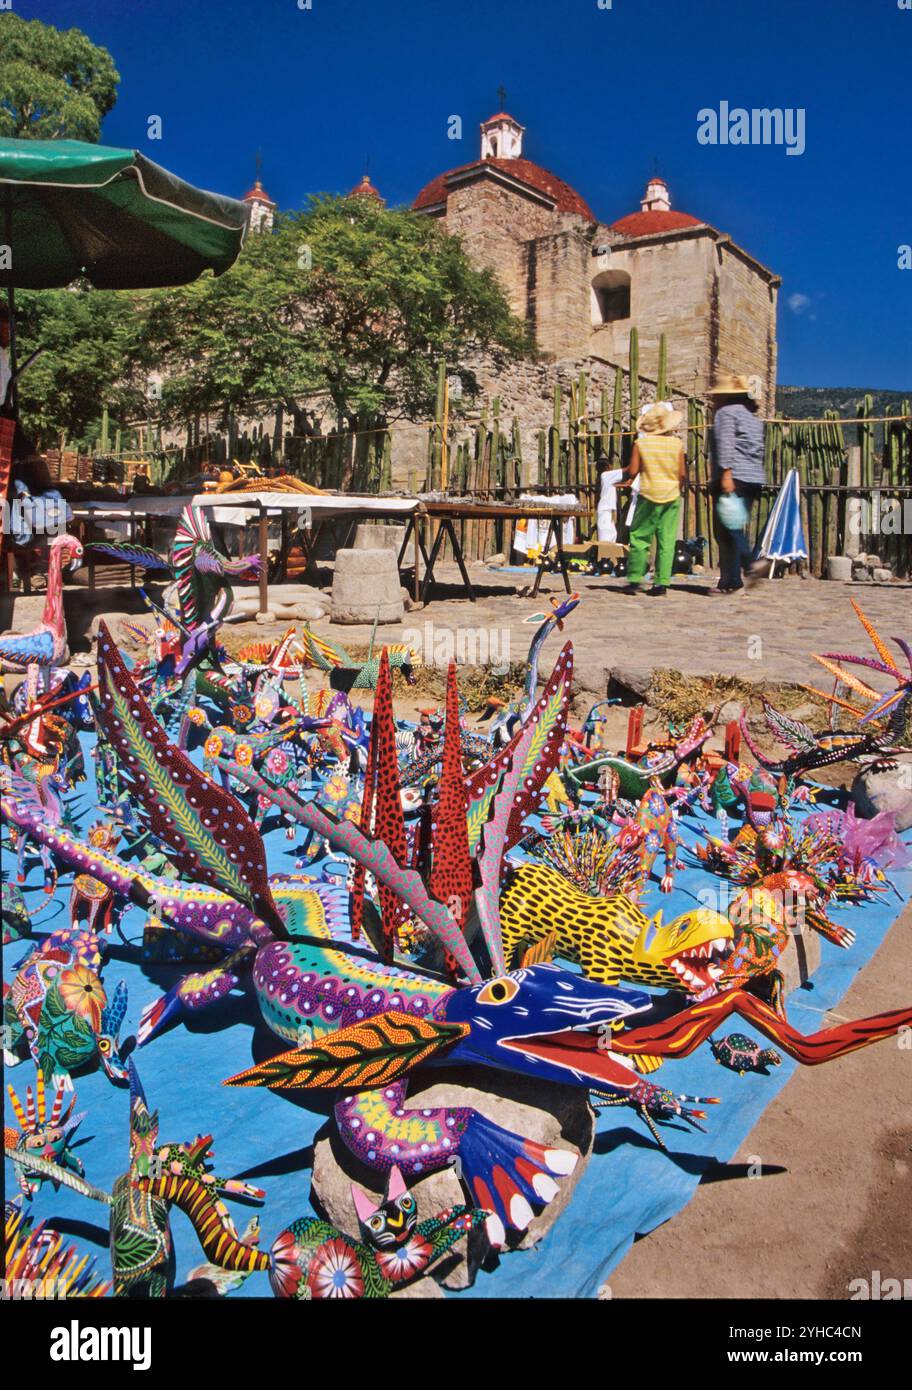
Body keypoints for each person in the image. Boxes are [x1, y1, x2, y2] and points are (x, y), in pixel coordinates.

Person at [708, 372, 766, 595]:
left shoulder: (726, 413)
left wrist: (726, 475)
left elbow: (726, 444)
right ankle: (730, 582)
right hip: (753, 478)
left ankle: (749, 565)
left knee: (727, 528)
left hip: (734, 477)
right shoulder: (753, 418)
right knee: (733, 528)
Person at [621, 401, 686, 596]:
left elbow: (633, 470)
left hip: (648, 494)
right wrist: (678, 489)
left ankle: (634, 578)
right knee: (667, 540)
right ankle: (661, 583)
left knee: (640, 537)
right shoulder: (677, 444)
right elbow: (681, 473)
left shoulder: (641, 444)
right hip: (671, 495)